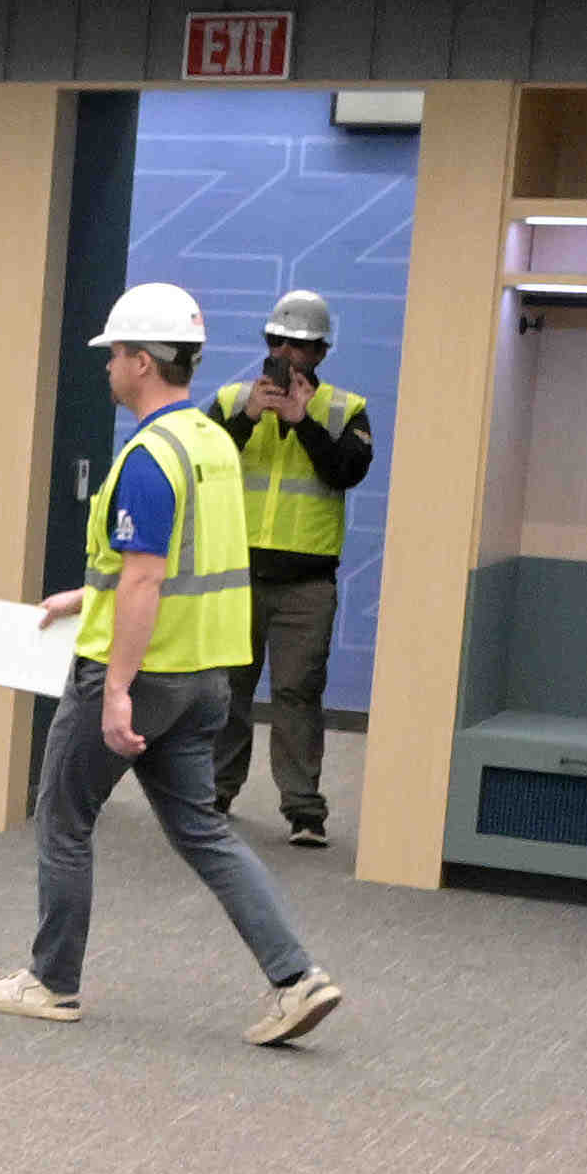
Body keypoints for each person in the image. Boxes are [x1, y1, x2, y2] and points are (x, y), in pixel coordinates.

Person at [0, 283, 341, 1046]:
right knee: (204, 832)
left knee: (65, 819)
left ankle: (51, 981)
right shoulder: (209, 443)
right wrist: (89, 591)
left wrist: (113, 691)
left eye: (114, 354)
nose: (108, 366)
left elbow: (146, 577)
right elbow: (162, 561)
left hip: (141, 675)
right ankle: (295, 977)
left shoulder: (148, 454)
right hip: (205, 678)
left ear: (142, 360)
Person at [208, 288, 373, 850]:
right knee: (227, 692)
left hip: (306, 587)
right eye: (278, 341)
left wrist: (302, 422)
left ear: (320, 354)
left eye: (300, 345)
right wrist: (250, 418)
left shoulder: (344, 410)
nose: (287, 353)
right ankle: (215, 794)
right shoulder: (233, 399)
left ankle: (304, 811)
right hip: (236, 577)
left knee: (298, 696)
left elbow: (346, 472)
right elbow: (203, 467)